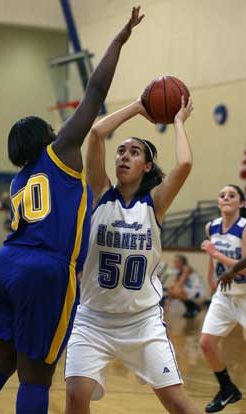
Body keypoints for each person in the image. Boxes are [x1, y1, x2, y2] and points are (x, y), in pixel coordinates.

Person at [0, 8, 144, 414]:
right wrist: (118, 41)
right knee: (36, 375)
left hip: (6, 265)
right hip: (45, 270)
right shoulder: (60, 153)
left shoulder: (18, 181)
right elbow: (96, 91)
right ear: (46, 138)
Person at [64, 96, 200, 414]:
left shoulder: (154, 204)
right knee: (74, 397)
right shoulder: (99, 193)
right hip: (93, 321)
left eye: (134, 152)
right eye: (121, 151)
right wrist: (139, 106)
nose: (124, 156)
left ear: (147, 166)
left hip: (143, 322)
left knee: (179, 403)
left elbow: (184, 164)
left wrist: (178, 121)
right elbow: (97, 133)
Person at [200, 184, 246, 413]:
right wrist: (210, 277)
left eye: (232, 195)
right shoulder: (212, 227)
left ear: (241, 203)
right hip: (225, 295)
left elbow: (245, 269)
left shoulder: (244, 228)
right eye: (222, 195)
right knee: (207, 344)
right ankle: (227, 389)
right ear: (218, 203)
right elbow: (213, 256)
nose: (226, 197)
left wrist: (215, 254)